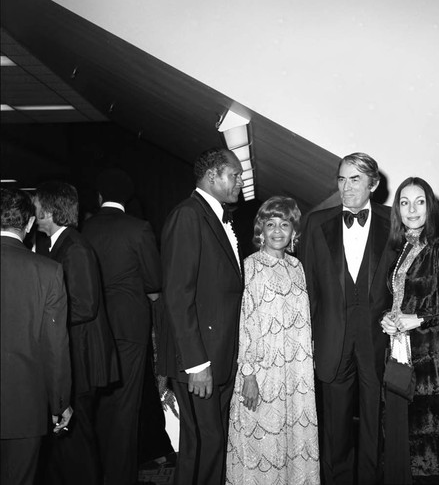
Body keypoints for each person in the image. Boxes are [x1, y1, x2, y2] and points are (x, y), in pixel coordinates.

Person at [300, 152, 396, 485]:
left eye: (355, 179)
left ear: (374, 184)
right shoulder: (316, 222)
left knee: (375, 419)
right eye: (341, 178)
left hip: (377, 336)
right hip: (332, 336)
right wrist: (308, 340)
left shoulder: (394, 220)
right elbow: (308, 287)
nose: (346, 186)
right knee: (336, 423)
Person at [380, 176, 439, 484]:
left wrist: (418, 318)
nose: (412, 210)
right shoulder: (401, 249)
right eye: (404, 203)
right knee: (404, 443)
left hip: (437, 363)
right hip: (402, 355)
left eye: (419, 202)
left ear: (429, 206)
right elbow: (399, 299)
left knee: (438, 454)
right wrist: (388, 317)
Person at [160, 147, 244, 485]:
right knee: (206, 443)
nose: (240, 181)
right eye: (234, 175)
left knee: (203, 444)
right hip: (200, 359)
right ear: (212, 176)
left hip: (216, 354)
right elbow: (178, 295)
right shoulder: (189, 216)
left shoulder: (213, 215)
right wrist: (197, 364)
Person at [226, 196, 320, 484]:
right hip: (263, 371)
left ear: (294, 232)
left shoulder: (297, 267)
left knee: (294, 439)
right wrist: (249, 374)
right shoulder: (249, 266)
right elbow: (245, 321)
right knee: (260, 440)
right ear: (260, 230)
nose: (278, 230)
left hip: (296, 376)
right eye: (270, 224)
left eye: (285, 224)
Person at [81, 168, 163, 485]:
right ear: (127, 197)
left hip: (94, 326)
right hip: (130, 326)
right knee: (126, 408)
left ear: (100, 196)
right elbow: (155, 281)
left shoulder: (84, 229)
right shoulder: (138, 228)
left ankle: (97, 473)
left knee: (99, 405)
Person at [34, 181, 119, 485]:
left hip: (81, 358)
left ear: (47, 211)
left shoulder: (75, 247)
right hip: (77, 354)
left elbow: (85, 306)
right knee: (71, 440)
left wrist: (41, 315)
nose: (33, 212)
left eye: (36, 207)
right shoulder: (62, 243)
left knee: (77, 440)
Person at [1, 188, 72, 485]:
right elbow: (54, 346)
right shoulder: (48, 271)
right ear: (29, 224)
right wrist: (59, 402)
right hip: (24, 405)